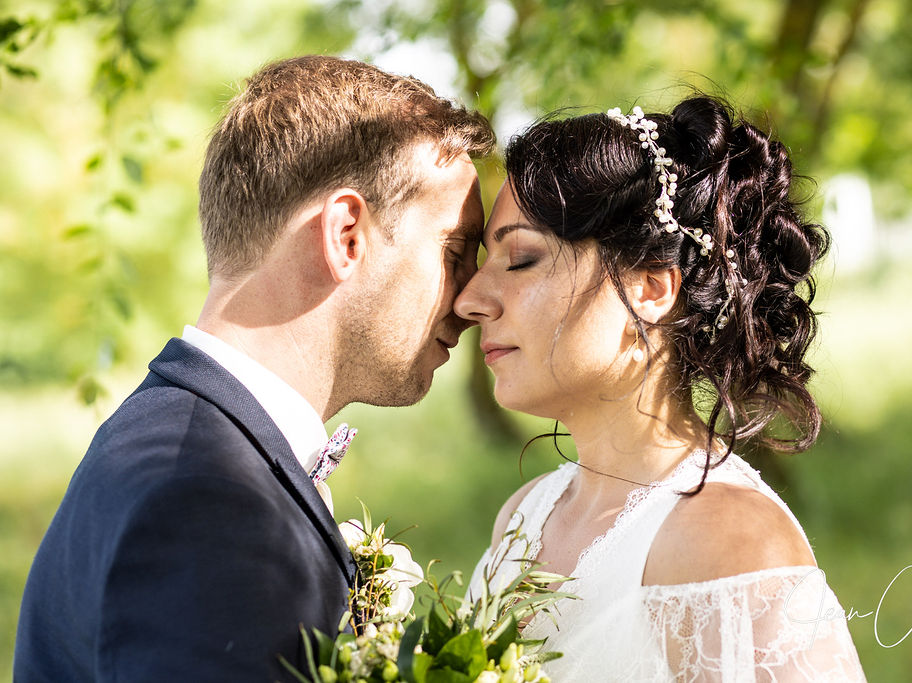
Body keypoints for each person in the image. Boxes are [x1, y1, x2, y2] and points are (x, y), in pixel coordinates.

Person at [15, 56, 493, 680]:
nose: (472, 300)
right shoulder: (204, 499)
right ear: (347, 235)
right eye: (455, 252)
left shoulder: (183, 443)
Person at [458, 97, 866, 680]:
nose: (471, 300)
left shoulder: (730, 539)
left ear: (651, 287)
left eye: (521, 259)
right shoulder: (522, 519)